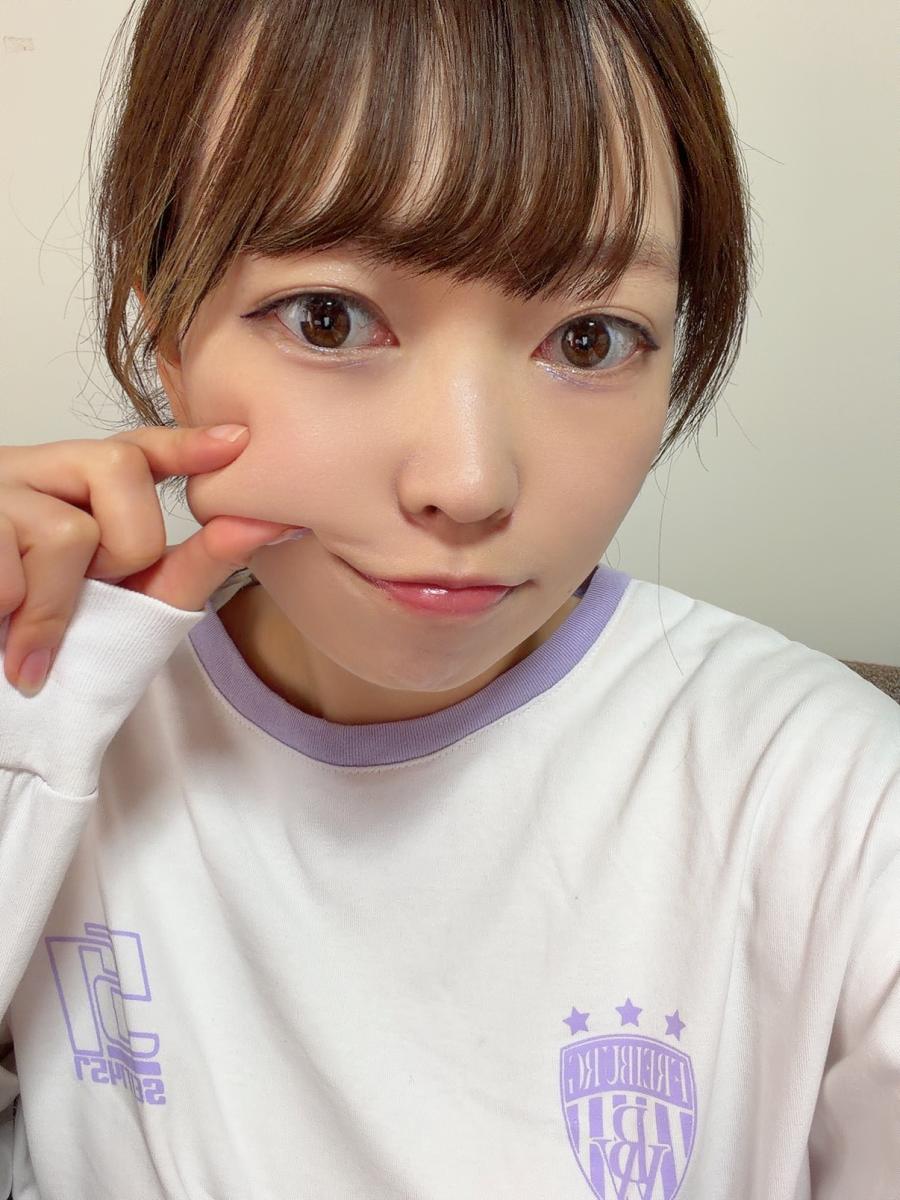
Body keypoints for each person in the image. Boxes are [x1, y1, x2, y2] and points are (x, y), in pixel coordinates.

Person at [0, 1, 896, 1197]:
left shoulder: (836, 802)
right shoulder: (49, 714)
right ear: (166, 327)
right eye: (330, 319)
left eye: (591, 340)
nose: (469, 483)